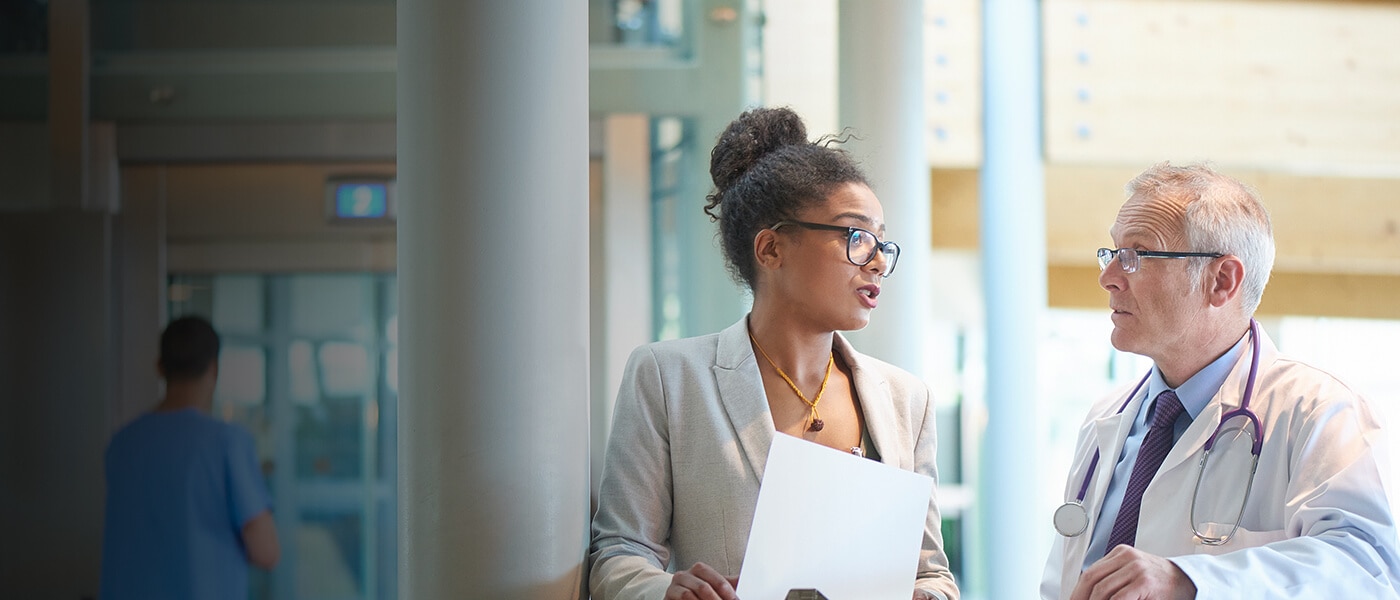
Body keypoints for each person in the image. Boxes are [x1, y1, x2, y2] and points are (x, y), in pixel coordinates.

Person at [589, 107, 959, 600]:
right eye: (856, 236)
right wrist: (666, 592)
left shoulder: (906, 399)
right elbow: (618, 553)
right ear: (771, 250)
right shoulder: (668, 378)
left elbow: (932, 574)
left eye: (882, 244)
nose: (876, 261)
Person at [1042, 162, 1400, 599]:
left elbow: (1366, 566)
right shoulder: (1108, 416)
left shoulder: (1319, 410)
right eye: (1112, 252)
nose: (1108, 277)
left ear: (1222, 281)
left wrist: (1190, 582)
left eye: (1136, 255)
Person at [100, 316, 280, 599]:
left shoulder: (122, 444)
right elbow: (266, 551)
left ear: (160, 367)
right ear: (215, 368)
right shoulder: (227, 443)